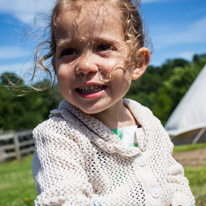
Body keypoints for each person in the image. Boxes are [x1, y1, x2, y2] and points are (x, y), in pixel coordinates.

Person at [32, 0, 195, 205]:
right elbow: (63, 199)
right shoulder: (58, 135)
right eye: (69, 51)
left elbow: (173, 177)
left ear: (137, 63)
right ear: (55, 66)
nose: (84, 66)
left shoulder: (148, 122)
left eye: (103, 47)